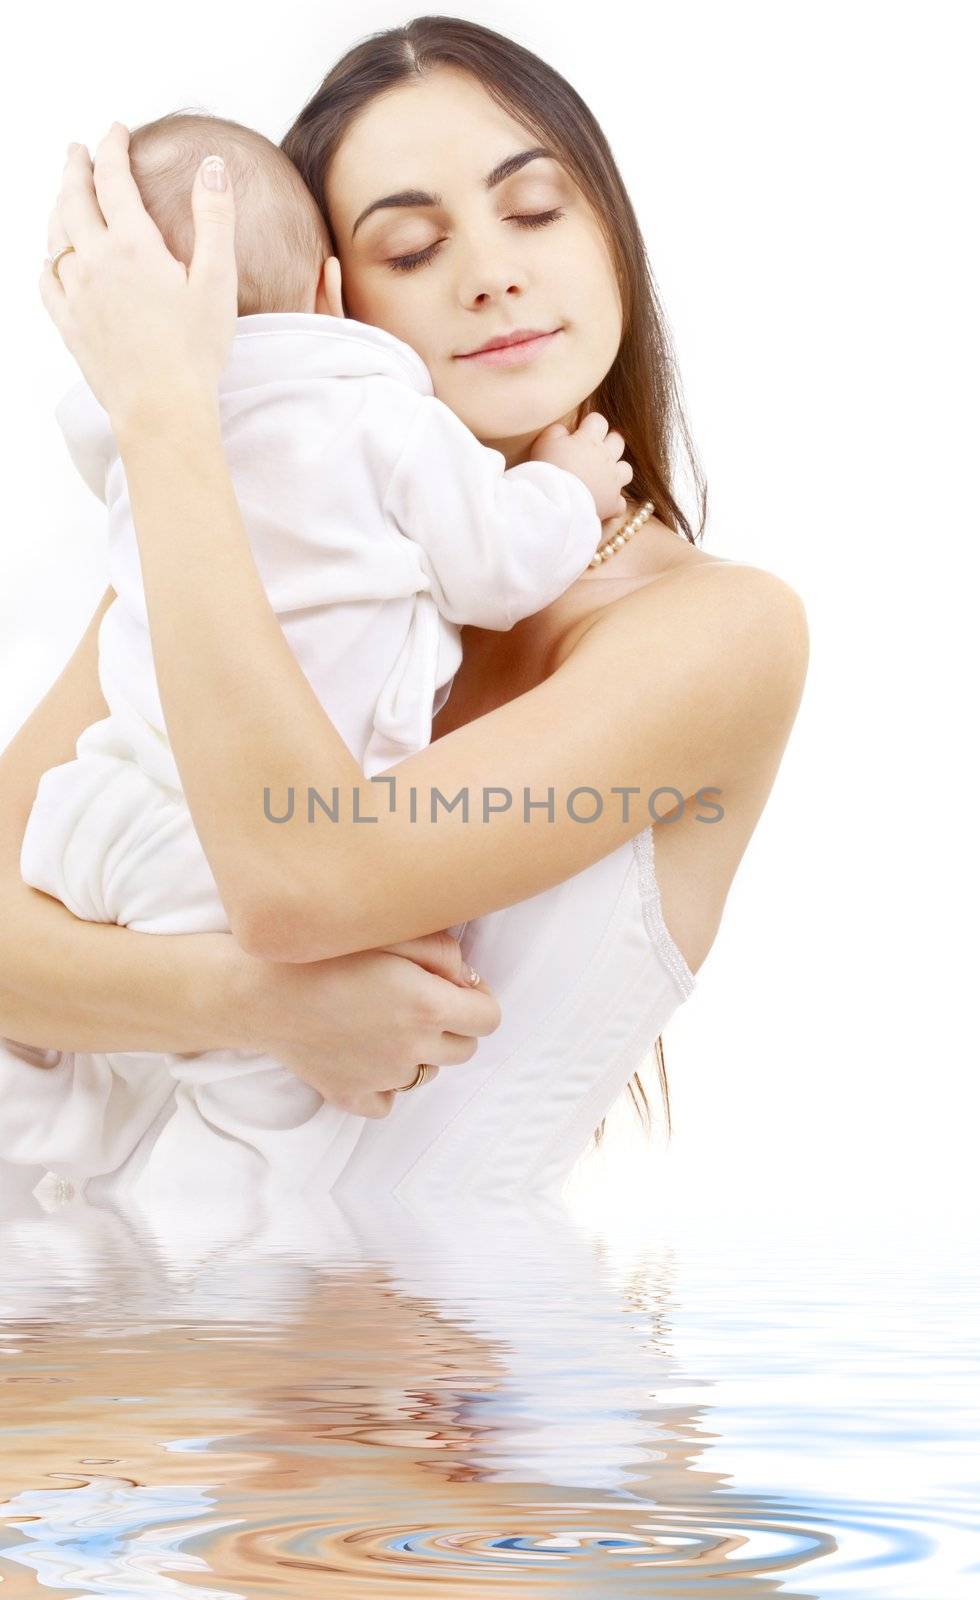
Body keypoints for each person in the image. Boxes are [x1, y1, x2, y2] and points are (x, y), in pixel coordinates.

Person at [0, 17, 808, 1207]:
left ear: (611, 238)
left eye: (533, 210)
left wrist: (164, 410)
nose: (489, 271)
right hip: (143, 1323)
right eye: (414, 245)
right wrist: (257, 1008)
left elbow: (300, 881)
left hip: (422, 1369)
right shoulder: (210, 555)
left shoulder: (721, 631)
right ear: (325, 306)